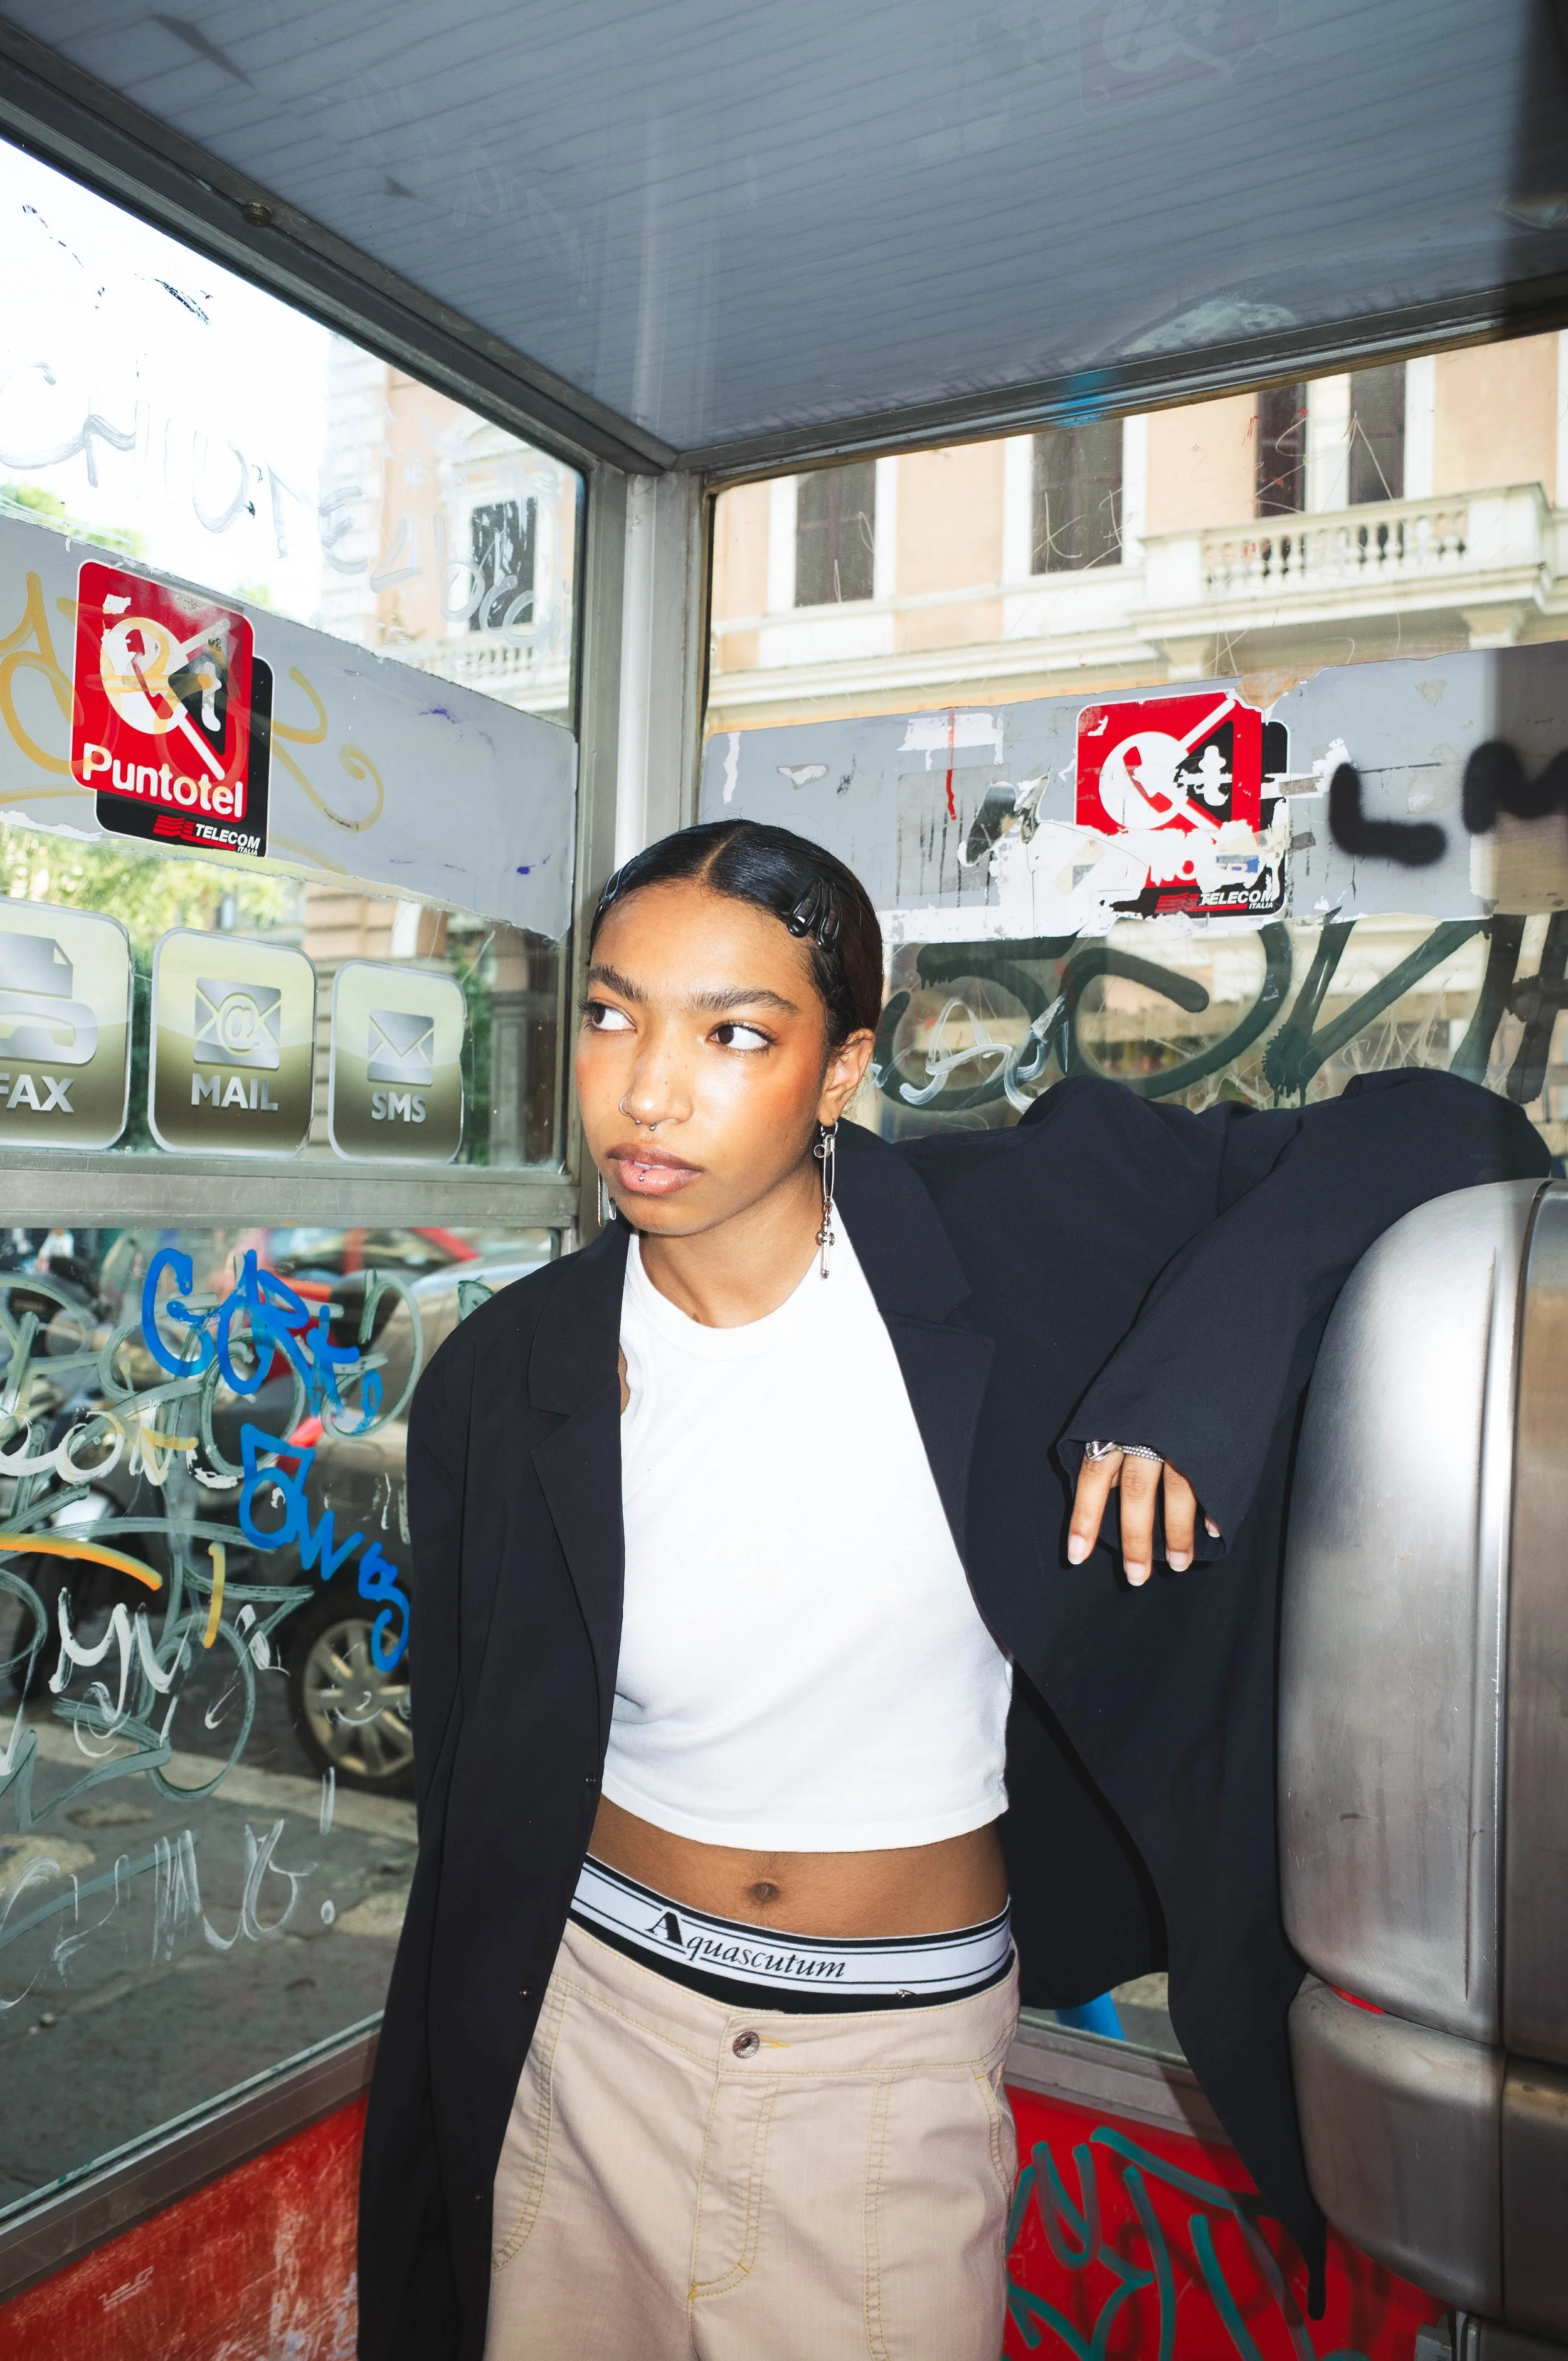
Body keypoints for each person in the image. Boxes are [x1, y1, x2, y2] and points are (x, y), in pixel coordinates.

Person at [359, 819, 1546, 2361]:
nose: (648, 1090)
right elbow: (476, 1807)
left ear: (841, 1068)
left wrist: (1196, 1363)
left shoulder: (1017, 1231)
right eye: (611, 1014)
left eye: (734, 1033)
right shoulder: (507, 1376)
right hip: (588, 2046)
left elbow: (1451, 1133)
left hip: (882, 2077)